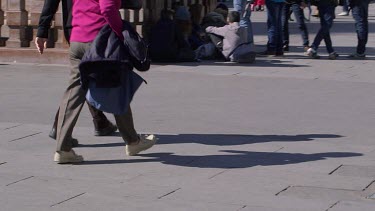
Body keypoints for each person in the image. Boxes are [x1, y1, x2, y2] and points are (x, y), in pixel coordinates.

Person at [37, 0, 156, 164]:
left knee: (73, 94)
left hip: (77, 39)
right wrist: (121, 32)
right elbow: (107, 8)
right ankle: (133, 142)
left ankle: (62, 148)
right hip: (99, 40)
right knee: (116, 86)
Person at [35, 0, 117, 147]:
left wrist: (43, 30)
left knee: (83, 77)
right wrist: (42, 29)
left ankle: (100, 122)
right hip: (90, 27)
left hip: (73, 27)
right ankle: (60, 127)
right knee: (85, 80)